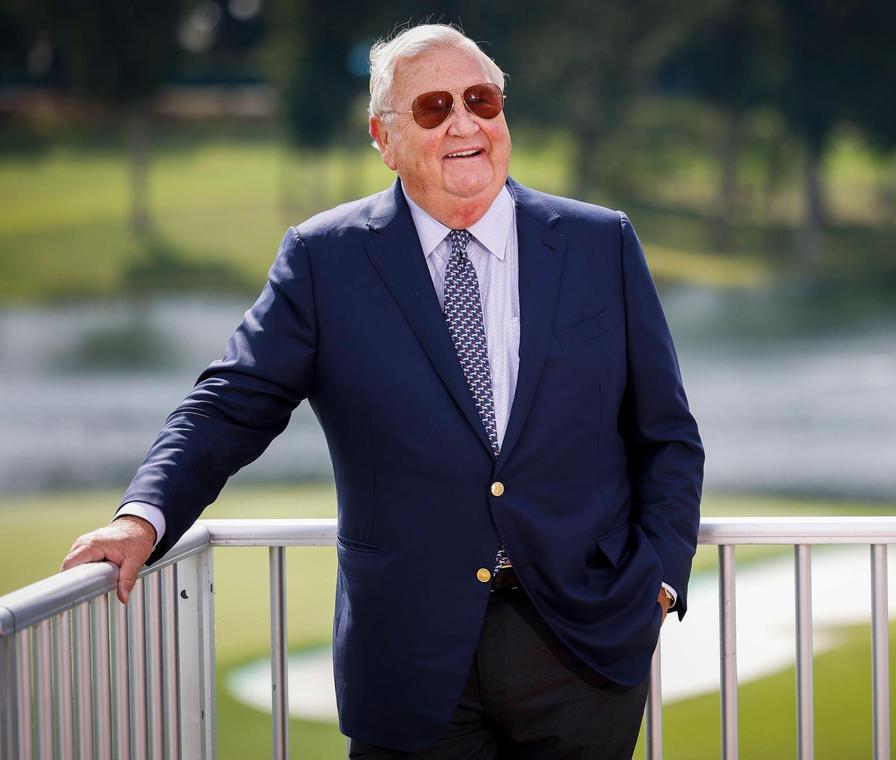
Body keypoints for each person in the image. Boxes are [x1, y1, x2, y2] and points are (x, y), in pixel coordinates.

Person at [61, 23, 703, 759]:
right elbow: (228, 405)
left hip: (585, 649)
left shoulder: (600, 243)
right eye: (433, 108)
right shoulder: (323, 261)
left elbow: (667, 437)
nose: (465, 122)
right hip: (410, 660)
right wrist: (143, 517)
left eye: (481, 100)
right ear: (384, 137)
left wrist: (657, 582)